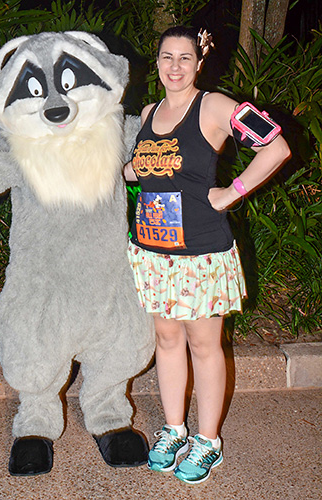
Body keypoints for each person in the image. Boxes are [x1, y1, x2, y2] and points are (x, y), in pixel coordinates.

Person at [124, 26, 291, 484]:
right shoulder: (147, 113)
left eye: (184, 58)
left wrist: (229, 193)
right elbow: (144, 170)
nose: (174, 67)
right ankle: (174, 429)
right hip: (153, 250)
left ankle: (208, 442)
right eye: (165, 57)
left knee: (203, 344)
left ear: (199, 63)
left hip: (201, 253)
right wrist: (128, 171)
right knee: (166, 341)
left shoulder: (214, 106)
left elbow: (276, 147)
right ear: (156, 63)